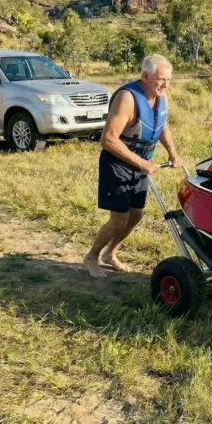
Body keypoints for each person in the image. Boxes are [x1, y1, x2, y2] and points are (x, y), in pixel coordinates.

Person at [84, 54, 183, 278]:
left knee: (135, 216)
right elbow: (107, 139)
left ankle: (111, 253)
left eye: (168, 80)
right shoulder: (127, 98)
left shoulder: (161, 96)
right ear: (145, 76)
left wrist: (173, 153)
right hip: (118, 164)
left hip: (141, 165)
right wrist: (141, 162)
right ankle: (92, 256)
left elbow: (161, 125)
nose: (165, 85)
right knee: (118, 219)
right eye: (160, 79)